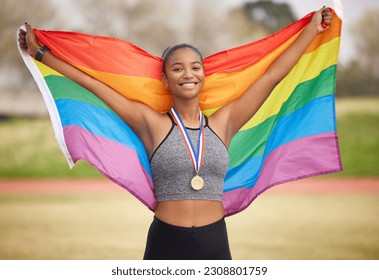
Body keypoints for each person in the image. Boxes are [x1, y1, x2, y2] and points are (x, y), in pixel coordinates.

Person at [18, 7, 332, 260]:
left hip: (214, 241)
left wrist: (311, 30)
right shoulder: (150, 123)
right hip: (166, 240)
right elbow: (96, 85)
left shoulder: (225, 122)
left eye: (195, 67)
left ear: (204, 76)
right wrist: (43, 55)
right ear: (166, 80)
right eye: (177, 68)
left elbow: (273, 76)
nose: (188, 74)